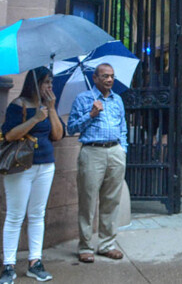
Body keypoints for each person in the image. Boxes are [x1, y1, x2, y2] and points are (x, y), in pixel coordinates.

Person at [0, 67, 64, 284]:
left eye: (51, 83)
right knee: (15, 216)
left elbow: (58, 135)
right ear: (34, 84)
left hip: (45, 165)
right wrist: (35, 119)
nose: (50, 87)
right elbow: (9, 135)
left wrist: (51, 109)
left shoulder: (47, 106)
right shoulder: (17, 106)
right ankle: (9, 265)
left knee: (37, 214)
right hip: (20, 167)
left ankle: (35, 262)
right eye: (46, 83)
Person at [67, 62, 128, 264]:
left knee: (111, 200)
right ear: (95, 78)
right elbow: (71, 128)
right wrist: (90, 114)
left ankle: (107, 245)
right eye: (105, 76)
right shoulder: (83, 99)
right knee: (88, 200)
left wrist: (123, 149)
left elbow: (123, 127)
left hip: (115, 151)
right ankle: (85, 246)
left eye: (111, 76)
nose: (109, 79)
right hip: (92, 152)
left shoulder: (118, 100)